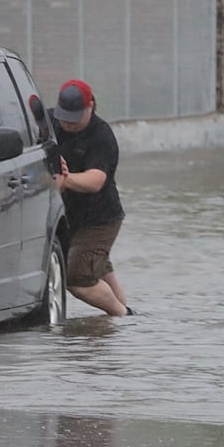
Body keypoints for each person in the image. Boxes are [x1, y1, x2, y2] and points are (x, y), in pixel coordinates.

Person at [49, 79, 134, 317]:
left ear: (91, 107)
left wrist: (66, 180)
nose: (68, 124)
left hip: (100, 219)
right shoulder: (49, 122)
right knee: (97, 265)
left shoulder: (101, 135)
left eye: (75, 118)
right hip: (69, 218)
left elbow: (96, 180)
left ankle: (122, 314)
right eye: (64, 117)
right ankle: (126, 324)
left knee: (77, 277)